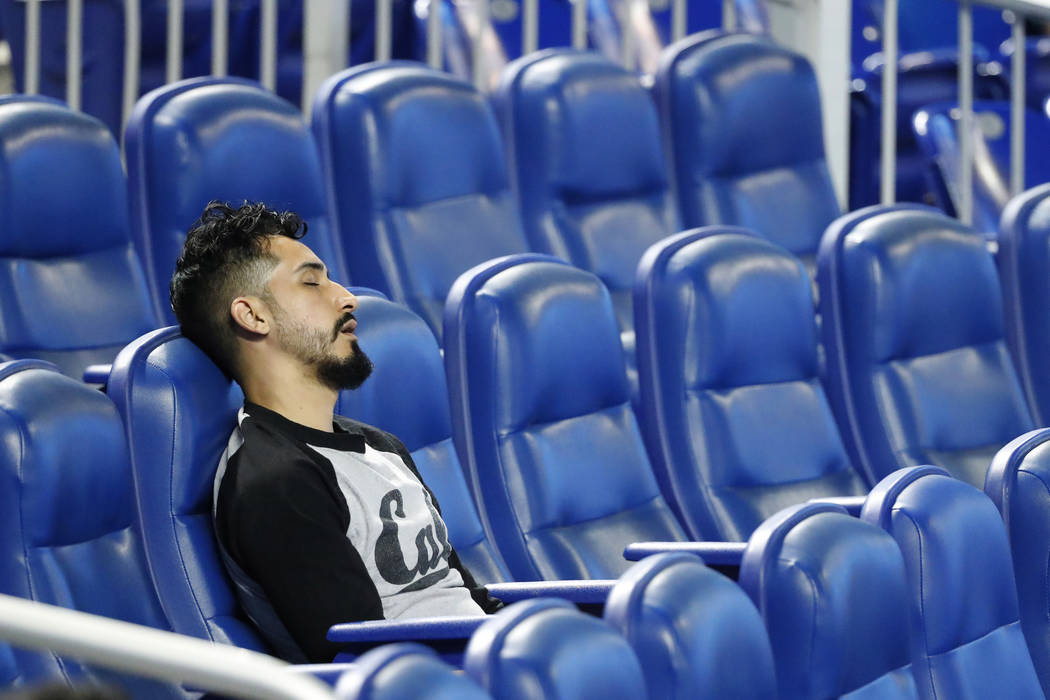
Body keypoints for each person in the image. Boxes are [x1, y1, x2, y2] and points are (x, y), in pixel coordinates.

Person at [169, 201, 501, 663]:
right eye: (312, 282)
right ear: (253, 316)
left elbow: (468, 599)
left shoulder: (381, 446)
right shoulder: (276, 481)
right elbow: (362, 661)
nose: (346, 297)